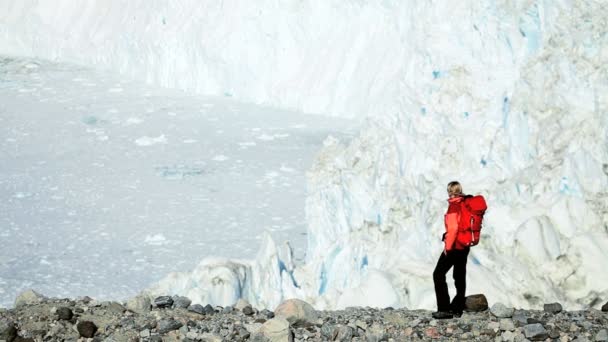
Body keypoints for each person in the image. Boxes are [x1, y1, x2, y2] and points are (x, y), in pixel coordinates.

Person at [432, 181, 470, 319]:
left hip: (454, 247)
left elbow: (453, 229)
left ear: (451, 191)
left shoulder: (454, 206)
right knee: (459, 277)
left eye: (449, 190)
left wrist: (447, 248)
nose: (449, 192)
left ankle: (444, 309)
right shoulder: (464, 203)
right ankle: (457, 309)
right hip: (464, 246)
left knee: (438, 274)